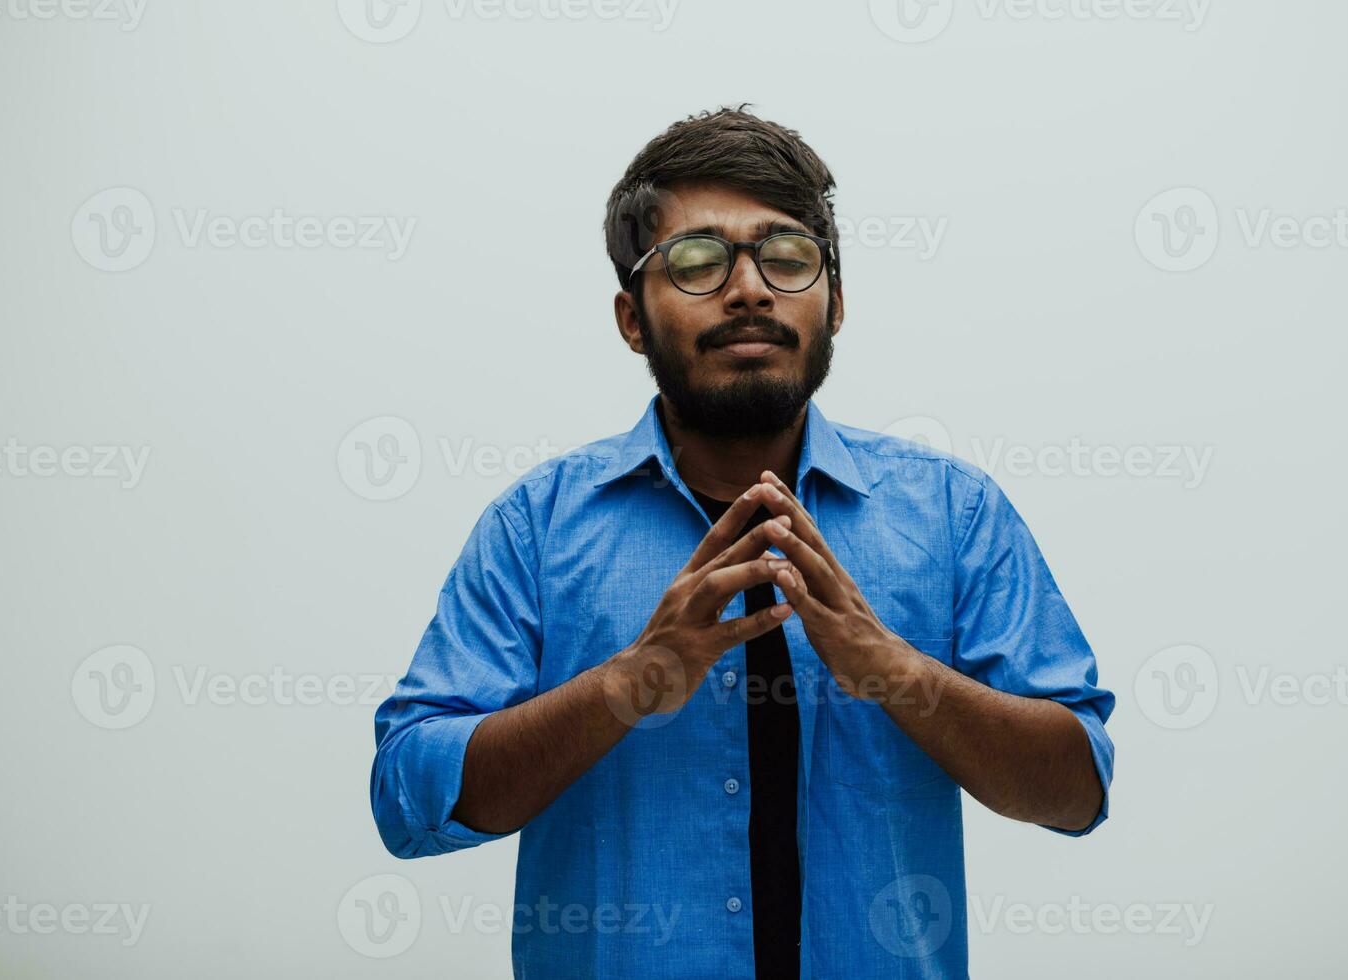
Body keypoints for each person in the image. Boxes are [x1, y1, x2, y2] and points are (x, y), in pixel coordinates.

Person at [370, 105, 1114, 978]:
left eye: (787, 256)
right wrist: (627, 683)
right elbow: (407, 798)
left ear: (835, 301)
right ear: (630, 318)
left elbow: (1077, 790)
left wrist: (892, 667)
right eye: (696, 262)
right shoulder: (534, 530)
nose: (750, 288)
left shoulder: (954, 515)